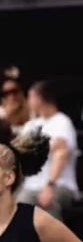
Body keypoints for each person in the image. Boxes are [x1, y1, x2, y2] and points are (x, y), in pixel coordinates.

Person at [18, 80, 79, 222]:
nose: (28, 102)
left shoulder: (62, 122)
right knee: (18, 206)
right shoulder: (31, 125)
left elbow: (62, 153)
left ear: (39, 99)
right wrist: (47, 146)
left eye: (30, 97)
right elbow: (20, 151)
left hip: (59, 185)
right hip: (30, 186)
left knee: (48, 203)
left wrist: (50, 186)